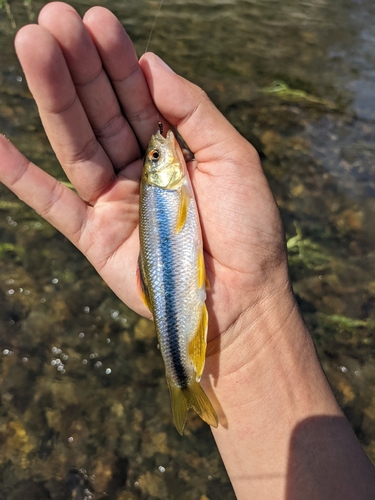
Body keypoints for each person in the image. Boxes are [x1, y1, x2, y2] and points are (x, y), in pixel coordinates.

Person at [0, 3, 374, 498]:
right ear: (163, 171)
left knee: (178, 316)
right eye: (159, 156)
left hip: (181, 287)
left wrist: (251, 316)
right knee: (180, 328)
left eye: (157, 155)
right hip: (181, 295)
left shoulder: (166, 184)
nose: (164, 150)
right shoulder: (166, 184)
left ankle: (184, 380)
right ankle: (184, 381)